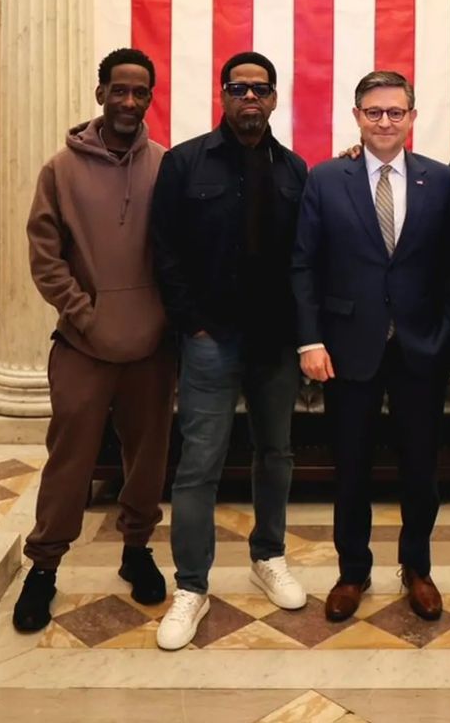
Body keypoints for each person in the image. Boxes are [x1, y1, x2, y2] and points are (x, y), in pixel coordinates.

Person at [13, 48, 176, 633]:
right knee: (69, 462)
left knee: (148, 459)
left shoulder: (165, 164)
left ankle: (137, 550)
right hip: (82, 346)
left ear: (150, 99)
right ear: (101, 91)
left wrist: (165, 319)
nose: (129, 101)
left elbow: (180, 250)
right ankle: (44, 567)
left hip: (152, 351)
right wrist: (85, 315)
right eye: (120, 90)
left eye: (141, 92)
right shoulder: (60, 168)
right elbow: (45, 257)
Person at [152, 52, 308, 651]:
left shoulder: (294, 169)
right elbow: (164, 250)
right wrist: (192, 325)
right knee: (199, 466)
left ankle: (268, 556)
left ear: (273, 99)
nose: (250, 97)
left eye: (261, 89)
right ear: (222, 95)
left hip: (275, 343)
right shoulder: (186, 161)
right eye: (238, 88)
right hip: (210, 340)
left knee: (276, 454)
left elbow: (305, 255)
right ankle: (191, 585)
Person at [292, 70, 450, 623]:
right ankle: (352, 571)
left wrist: (447, 336)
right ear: (357, 116)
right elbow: (304, 264)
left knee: (420, 468)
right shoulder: (325, 178)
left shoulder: (441, 180)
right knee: (352, 469)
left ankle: (417, 567)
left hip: (420, 349)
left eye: (395, 112)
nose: (384, 121)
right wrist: (310, 339)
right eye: (373, 112)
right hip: (345, 348)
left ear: (412, 117)